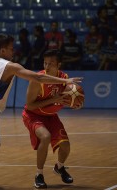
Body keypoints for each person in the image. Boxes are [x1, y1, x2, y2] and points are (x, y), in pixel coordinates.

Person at [0, 34, 82, 190]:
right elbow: (38, 78)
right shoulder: (10, 66)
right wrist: (65, 81)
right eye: (10, 48)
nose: (13, 51)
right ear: (2, 50)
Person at [22, 49, 81, 188]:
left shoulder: (64, 78)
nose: (47, 67)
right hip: (33, 115)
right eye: (45, 63)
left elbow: (69, 98)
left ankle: (59, 167)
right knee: (46, 136)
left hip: (51, 116)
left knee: (66, 146)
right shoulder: (37, 80)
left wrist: (76, 104)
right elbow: (30, 106)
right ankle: (39, 175)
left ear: (58, 65)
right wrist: (53, 100)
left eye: (51, 64)